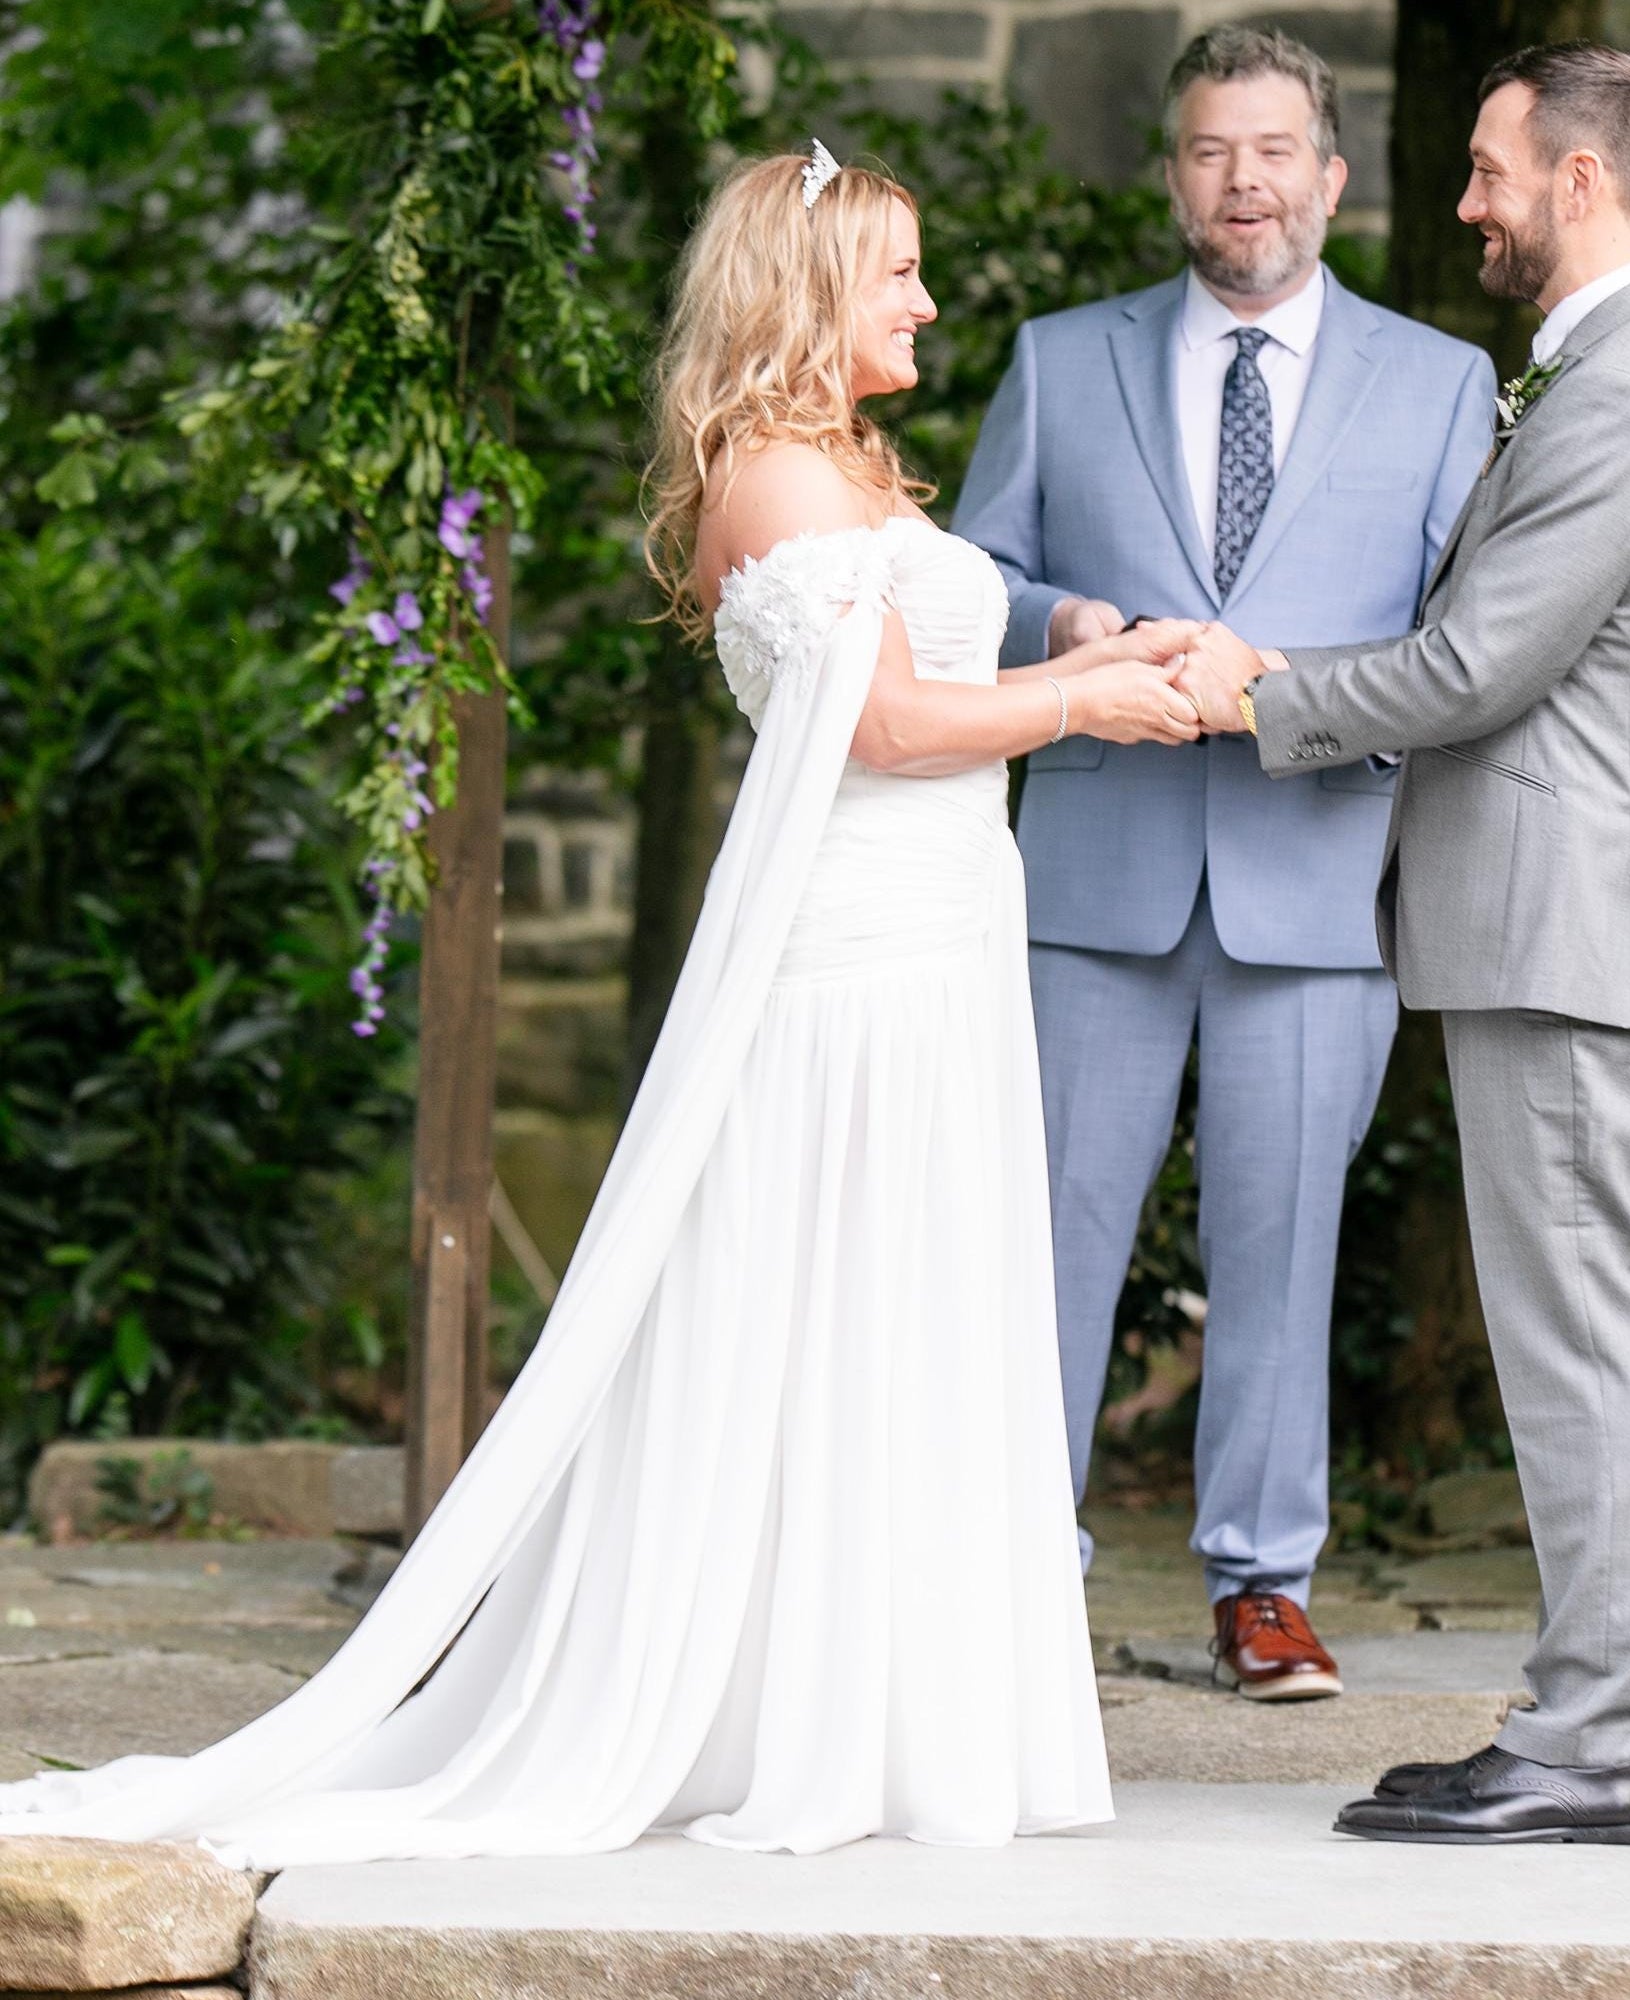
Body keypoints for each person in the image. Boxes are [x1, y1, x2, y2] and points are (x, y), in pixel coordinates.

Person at [0, 150, 1206, 1866]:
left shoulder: (854, 464)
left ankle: (893, 1717)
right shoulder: (774, 481)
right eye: (899, 277)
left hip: (943, 945)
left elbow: (934, 694)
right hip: (850, 963)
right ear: (802, 291)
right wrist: (1091, 691)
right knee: (824, 1304)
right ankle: (787, 1728)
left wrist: (1093, 664)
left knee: (918, 1296)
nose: (928, 303)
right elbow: (889, 731)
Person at [1171, 42, 1630, 1844]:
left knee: (1583, 1339)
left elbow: (1474, 667)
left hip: (1572, 933)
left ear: (1582, 181)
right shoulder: (1614, 370)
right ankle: (1596, 1726)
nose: (1469, 199)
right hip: (1552, 925)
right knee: (1581, 1330)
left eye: (1494, 170)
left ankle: (1591, 1746)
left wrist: (1247, 690)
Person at [953, 25, 1494, 1698]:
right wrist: (1074, 626)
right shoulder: (1063, 359)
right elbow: (969, 576)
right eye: (1208, 151)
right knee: (1044, 1235)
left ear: (1330, 177)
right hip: (1099, 877)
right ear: (1173, 173)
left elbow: (1465, 638)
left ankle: (1262, 1587)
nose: (1241, 181)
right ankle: (1005, 1574)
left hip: (1318, 886)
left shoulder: (1440, 384)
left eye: (1273, 151)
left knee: (1283, 1247)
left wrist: (1296, 705)